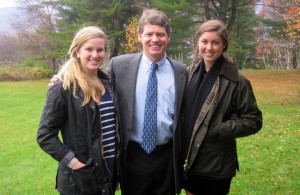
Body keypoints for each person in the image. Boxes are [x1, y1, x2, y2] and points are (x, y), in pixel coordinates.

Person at [107, 9, 187, 195]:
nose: (155, 39)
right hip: (133, 155)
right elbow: (92, 82)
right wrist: (62, 78)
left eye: (160, 34)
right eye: (149, 34)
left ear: (168, 37)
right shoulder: (119, 66)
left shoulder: (181, 72)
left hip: (167, 156)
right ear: (139, 36)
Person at [180, 19, 263, 195]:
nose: (209, 47)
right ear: (198, 42)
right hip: (189, 160)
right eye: (205, 41)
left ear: (223, 45)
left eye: (215, 42)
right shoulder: (189, 73)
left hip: (215, 164)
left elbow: (254, 121)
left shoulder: (237, 81)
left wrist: (217, 129)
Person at [37, 26, 119, 195]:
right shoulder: (64, 87)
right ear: (77, 51)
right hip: (80, 178)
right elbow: (45, 135)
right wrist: (74, 163)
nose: (95, 55)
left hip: (108, 171)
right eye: (89, 49)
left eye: (100, 49)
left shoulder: (108, 83)